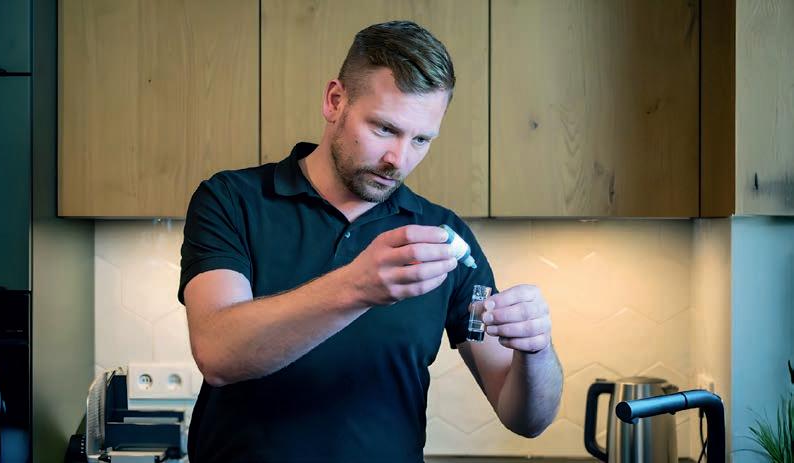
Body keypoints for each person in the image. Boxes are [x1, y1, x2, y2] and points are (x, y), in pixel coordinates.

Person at [178, 20, 563, 462]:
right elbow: (218, 353)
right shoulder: (231, 200)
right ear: (335, 101)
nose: (398, 159)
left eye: (421, 139)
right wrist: (357, 286)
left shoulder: (442, 236)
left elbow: (526, 420)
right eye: (384, 128)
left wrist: (536, 348)